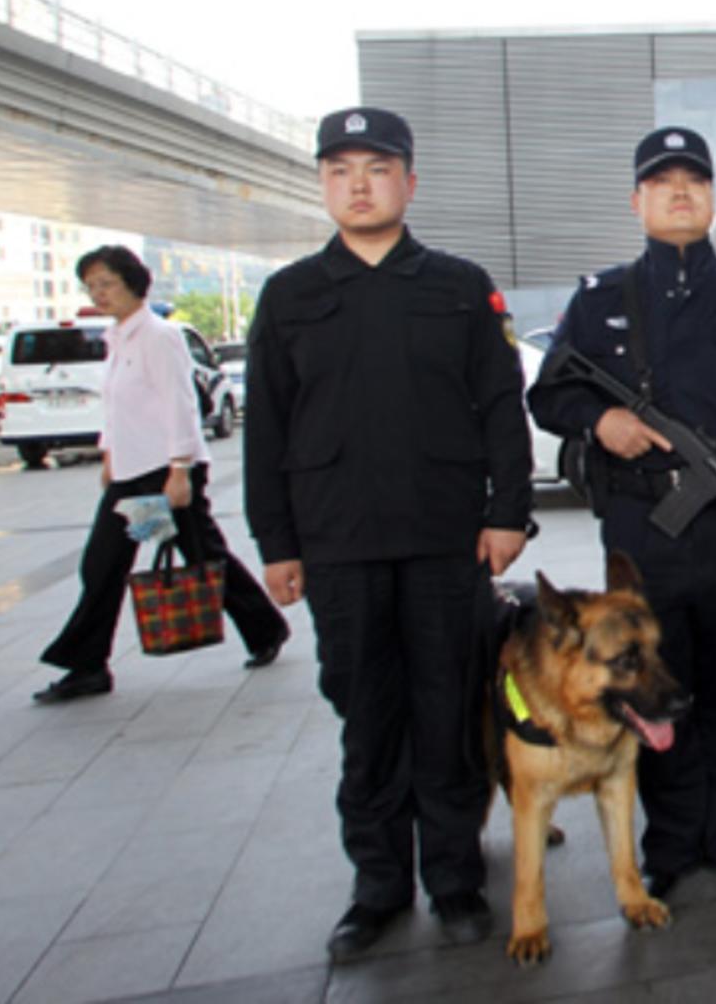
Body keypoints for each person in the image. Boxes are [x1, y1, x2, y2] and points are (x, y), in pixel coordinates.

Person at [244, 106, 532, 961]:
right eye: (339, 171)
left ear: (409, 182)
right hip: (337, 543)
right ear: (323, 185)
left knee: (447, 713)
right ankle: (376, 888)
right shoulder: (291, 295)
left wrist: (507, 513)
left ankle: (454, 880)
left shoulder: (459, 286)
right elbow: (267, 427)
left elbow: (500, 408)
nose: (358, 186)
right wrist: (276, 543)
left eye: (376, 169)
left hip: (446, 540)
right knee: (366, 720)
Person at [528, 126, 716, 902]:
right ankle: (673, 843)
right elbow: (549, 393)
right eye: (662, 182)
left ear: (713, 196)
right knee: (652, 693)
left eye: (694, 180)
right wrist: (602, 422)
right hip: (640, 536)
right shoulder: (601, 301)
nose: (680, 192)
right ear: (638, 201)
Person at [34, 245, 289, 704]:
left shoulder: (159, 336)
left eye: (107, 283)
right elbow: (117, 407)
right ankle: (88, 665)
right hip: (131, 475)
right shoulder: (117, 338)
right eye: (92, 286)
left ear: (134, 283)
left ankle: (264, 627)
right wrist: (109, 455)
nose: (99, 293)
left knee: (201, 555)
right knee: (102, 565)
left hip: (165, 472)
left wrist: (180, 469)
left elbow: (180, 404)